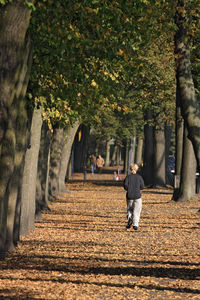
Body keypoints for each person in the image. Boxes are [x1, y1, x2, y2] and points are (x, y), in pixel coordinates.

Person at [124, 163, 144, 230]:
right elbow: (142, 186)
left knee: (130, 209)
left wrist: (129, 189)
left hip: (129, 195)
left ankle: (130, 217)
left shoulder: (128, 177)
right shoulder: (139, 177)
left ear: (130, 169)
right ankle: (135, 224)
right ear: (137, 169)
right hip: (137, 196)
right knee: (137, 210)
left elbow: (125, 185)